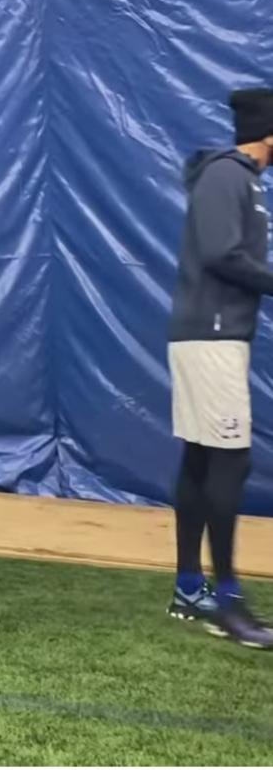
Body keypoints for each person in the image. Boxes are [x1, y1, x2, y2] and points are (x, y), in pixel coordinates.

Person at [167, 89, 273, 649]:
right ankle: (228, 601)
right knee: (229, 461)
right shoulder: (228, 176)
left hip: (211, 336)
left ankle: (189, 586)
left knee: (204, 458)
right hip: (210, 337)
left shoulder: (245, 180)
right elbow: (221, 254)